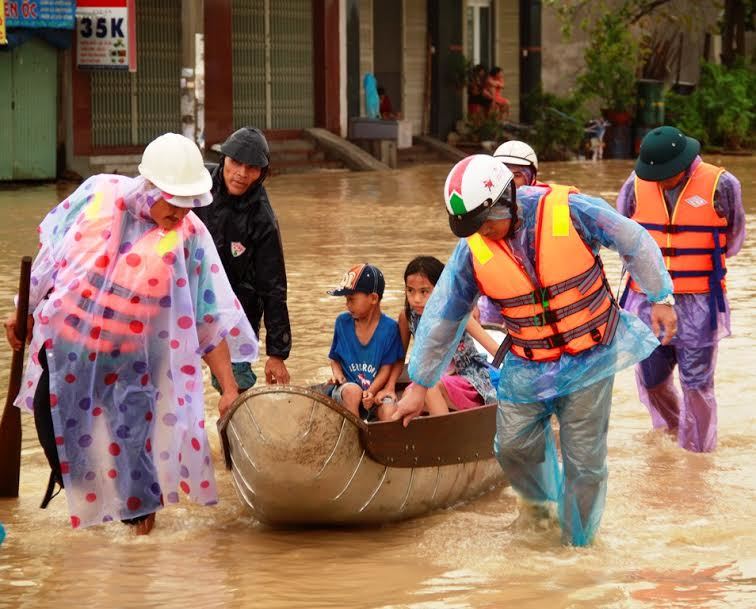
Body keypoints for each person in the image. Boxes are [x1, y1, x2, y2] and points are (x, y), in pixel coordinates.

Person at [393, 154, 677, 546]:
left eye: (486, 222)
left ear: (506, 199)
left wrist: (661, 296)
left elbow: (633, 239)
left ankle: (577, 544)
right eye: (473, 227)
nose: (482, 233)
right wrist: (419, 384)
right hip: (527, 365)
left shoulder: (570, 210)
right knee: (512, 447)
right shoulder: (473, 249)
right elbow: (445, 315)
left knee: (584, 462)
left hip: (589, 358)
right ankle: (543, 516)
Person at [4, 133, 259, 534]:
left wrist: (228, 387)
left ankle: (139, 559)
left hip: (134, 365)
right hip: (70, 349)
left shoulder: (188, 235)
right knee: (60, 445)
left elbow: (208, 316)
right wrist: (24, 309)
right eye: (174, 201)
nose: (182, 211)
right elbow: (49, 259)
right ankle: (95, 544)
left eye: (189, 202)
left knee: (134, 466)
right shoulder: (98, 196)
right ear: (151, 187)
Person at [618, 126, 745, 453]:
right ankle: (673, 432)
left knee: (697, 384)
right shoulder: (634, 185)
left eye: (666, 175)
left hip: (699, 302)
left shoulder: (723, 185)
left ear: (684, 164)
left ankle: (697, 459)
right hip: (647, 302)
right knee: (651, 380)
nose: (659, 181)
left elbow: (733, 238)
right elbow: (622, 235)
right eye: (654, 175)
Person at [195, 127, 291, 390]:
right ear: (223, 158)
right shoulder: (197, 182)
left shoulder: (263, 218)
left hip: (236, 305)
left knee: (234, 384)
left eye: (251, 167)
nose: (241, 174)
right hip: (188, 294)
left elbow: (273, 286)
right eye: (235, 162)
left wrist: (277, 353)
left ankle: (234, 428)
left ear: (262, 172)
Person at [376, 256, 498, 414]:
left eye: (424, 291)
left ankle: (446, 435)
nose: (416, 299)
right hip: (428, 380)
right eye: (410, 290)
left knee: (430, 388)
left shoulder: (457, 313)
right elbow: (399, 359)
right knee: (406, 397)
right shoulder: (407, 317)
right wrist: (390, 387)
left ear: (441, 289)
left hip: (467, 378)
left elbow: (493, 347)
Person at [325, 263, 404, 422]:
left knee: (390, 410)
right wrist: (338, 376)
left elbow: (386, 368)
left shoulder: (390, 328)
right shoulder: (342, 322)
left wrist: (371, 392)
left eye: (352, 299)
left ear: (373, 298)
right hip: (346, 390)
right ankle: (356, 441)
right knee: (353, 391)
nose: (347, 304)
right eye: (346, 299)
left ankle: (384, 444)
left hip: (376, 391)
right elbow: (334, 359)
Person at [480, 140, 545, 324]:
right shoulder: (479, 214)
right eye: (503, 175)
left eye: (517, 175)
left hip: (539, 308)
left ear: (530, 177)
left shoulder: (547, 209)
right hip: (495, 305)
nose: (509, 183)